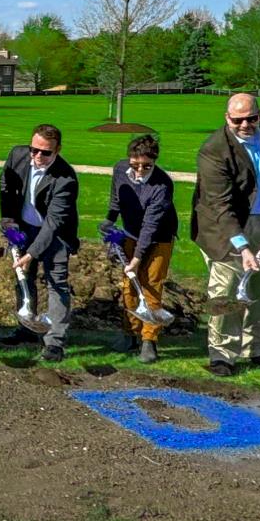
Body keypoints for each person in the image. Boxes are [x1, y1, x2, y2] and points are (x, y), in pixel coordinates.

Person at [189, 92, 260, 378]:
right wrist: (243, 246)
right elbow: (220, 205)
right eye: (238, 120)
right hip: (224, 227)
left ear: (259, 115)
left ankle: (257, 349)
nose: (245, 125)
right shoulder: (214, 150)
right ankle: (222, 355)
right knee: (227, 290)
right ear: (227, 118)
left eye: (251, 118)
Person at [0, 123, 81, 362]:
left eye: (46, 153)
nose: (37, 156)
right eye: (34, 150)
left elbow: (54, 223)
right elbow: (5, 184)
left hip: (56, 236)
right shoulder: (17, 155)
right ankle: (26, 327)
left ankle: (54, 342)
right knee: (24, 280)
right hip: (25, 228)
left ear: (57, 150)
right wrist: (8, 219)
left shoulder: (65, 179)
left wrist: (31, 253)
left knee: (57, 284)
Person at [104, 133, 178, 364]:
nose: (140, 171)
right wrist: (109, 221)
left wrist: (136, 259)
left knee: (151, 285)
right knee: (129, 286)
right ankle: (130, 334)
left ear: (155, 161)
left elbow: (150, 226)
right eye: (135, 165)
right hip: (129, 232)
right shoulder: (119, 169)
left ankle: (149, 341)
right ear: (129, 159)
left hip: (159, 237)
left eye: (147, 166)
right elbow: (116, 199)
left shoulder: (162, 184)